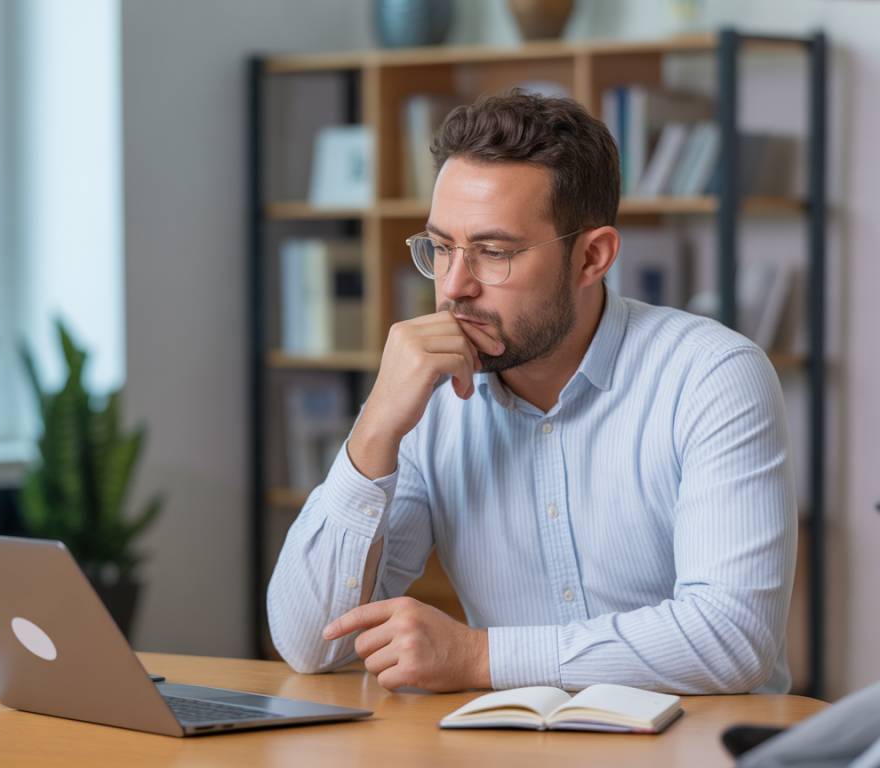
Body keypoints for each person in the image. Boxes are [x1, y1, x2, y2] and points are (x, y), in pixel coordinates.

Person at [267, 90, 796, 695]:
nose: (455, 287)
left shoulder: (712, 376)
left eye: (494, 253)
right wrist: (376, 429)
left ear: (592, 256)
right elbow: (313, 643)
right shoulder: (426, 394)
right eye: (441, 249)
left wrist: (479, 657)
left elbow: (731, 638)